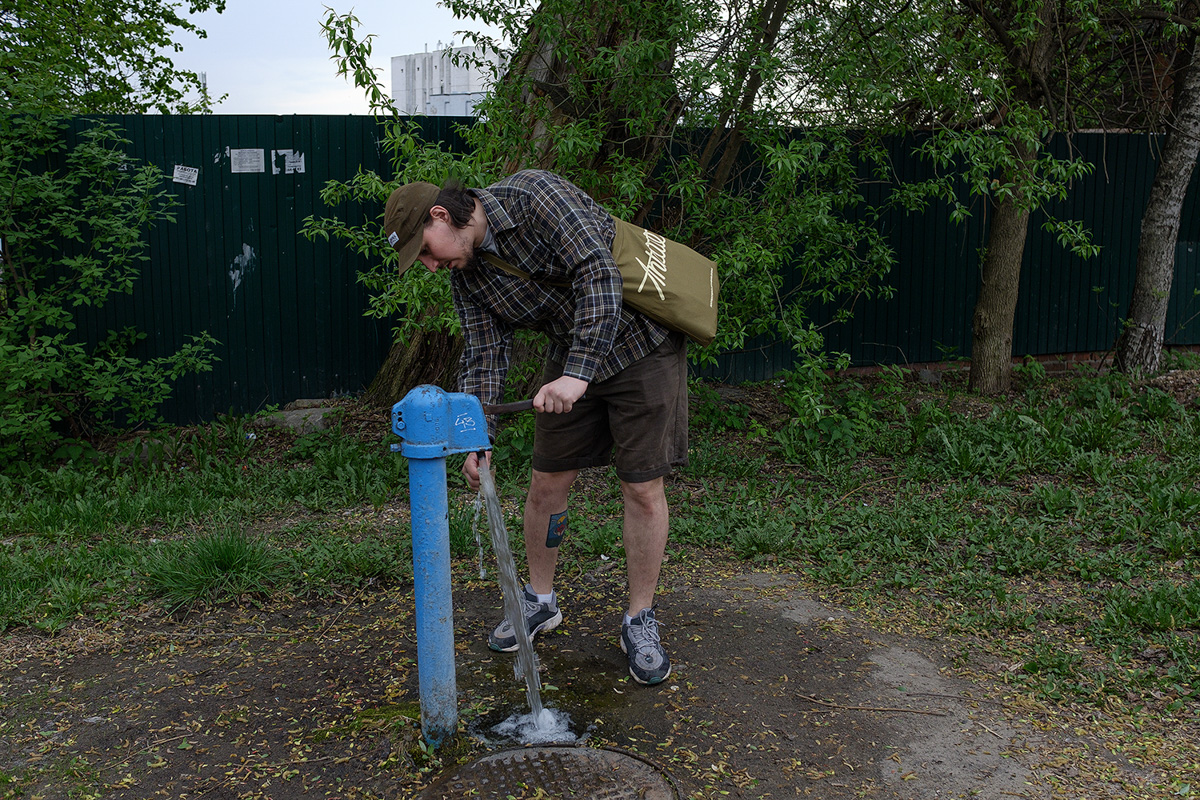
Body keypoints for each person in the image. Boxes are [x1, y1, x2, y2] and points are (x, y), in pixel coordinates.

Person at [383, 169, 688, 685]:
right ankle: (540, 601)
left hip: (640, 347)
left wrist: (577, 374)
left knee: (641, 485)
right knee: (547, 480)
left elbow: (598, 273)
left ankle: (640, 619)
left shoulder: (533, 196)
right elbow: (484, 355)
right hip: (572, 357)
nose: (432, 266)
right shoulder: (467, 277)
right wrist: (476, 439)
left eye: (427, 251)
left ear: (441, 215)